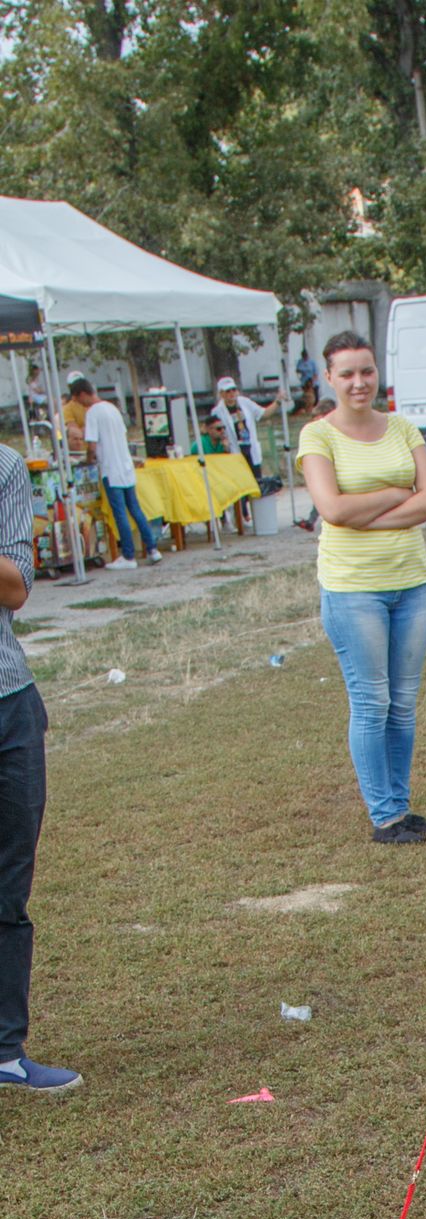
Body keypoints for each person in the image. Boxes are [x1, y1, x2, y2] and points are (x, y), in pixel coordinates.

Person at [297, 331, 426, 845]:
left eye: (367, 371)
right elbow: (331, 510)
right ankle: (383, 816)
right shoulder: (318, 436)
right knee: (371, 701)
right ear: (330, 378)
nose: (359, 382)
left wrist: (370, 514)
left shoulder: (402, 427)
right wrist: (394, 493)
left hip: (411, 581)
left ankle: (400, 807)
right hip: (353, 588)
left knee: (402, 702)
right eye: (347, 373)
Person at [0, 444, 80, 1093]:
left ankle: (4, 1051)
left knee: (7, 892)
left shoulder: (4, 466)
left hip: (9, 705)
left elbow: (15, 587)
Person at [70, 381, 160, 570]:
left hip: (110, 468)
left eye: (78, 399)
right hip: (125, 466)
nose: (79, 404)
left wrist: (88, 459)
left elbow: (92, 444)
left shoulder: (93, 412)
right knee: (135, 509)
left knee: (120, 513)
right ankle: (152, 549)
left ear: (82, 394)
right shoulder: (113, 408)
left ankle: (128, 555)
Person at [210, 375, 279, 484]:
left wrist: (277, 402)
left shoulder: (245, 402)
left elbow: (263, 413)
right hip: (234, 452)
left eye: (234, 390)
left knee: (256, 483)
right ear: (221, 394)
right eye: (228, 391)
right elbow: (214, 430)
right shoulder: (217, 411)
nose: (232, 393)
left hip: (250, 449)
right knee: (241, 486)